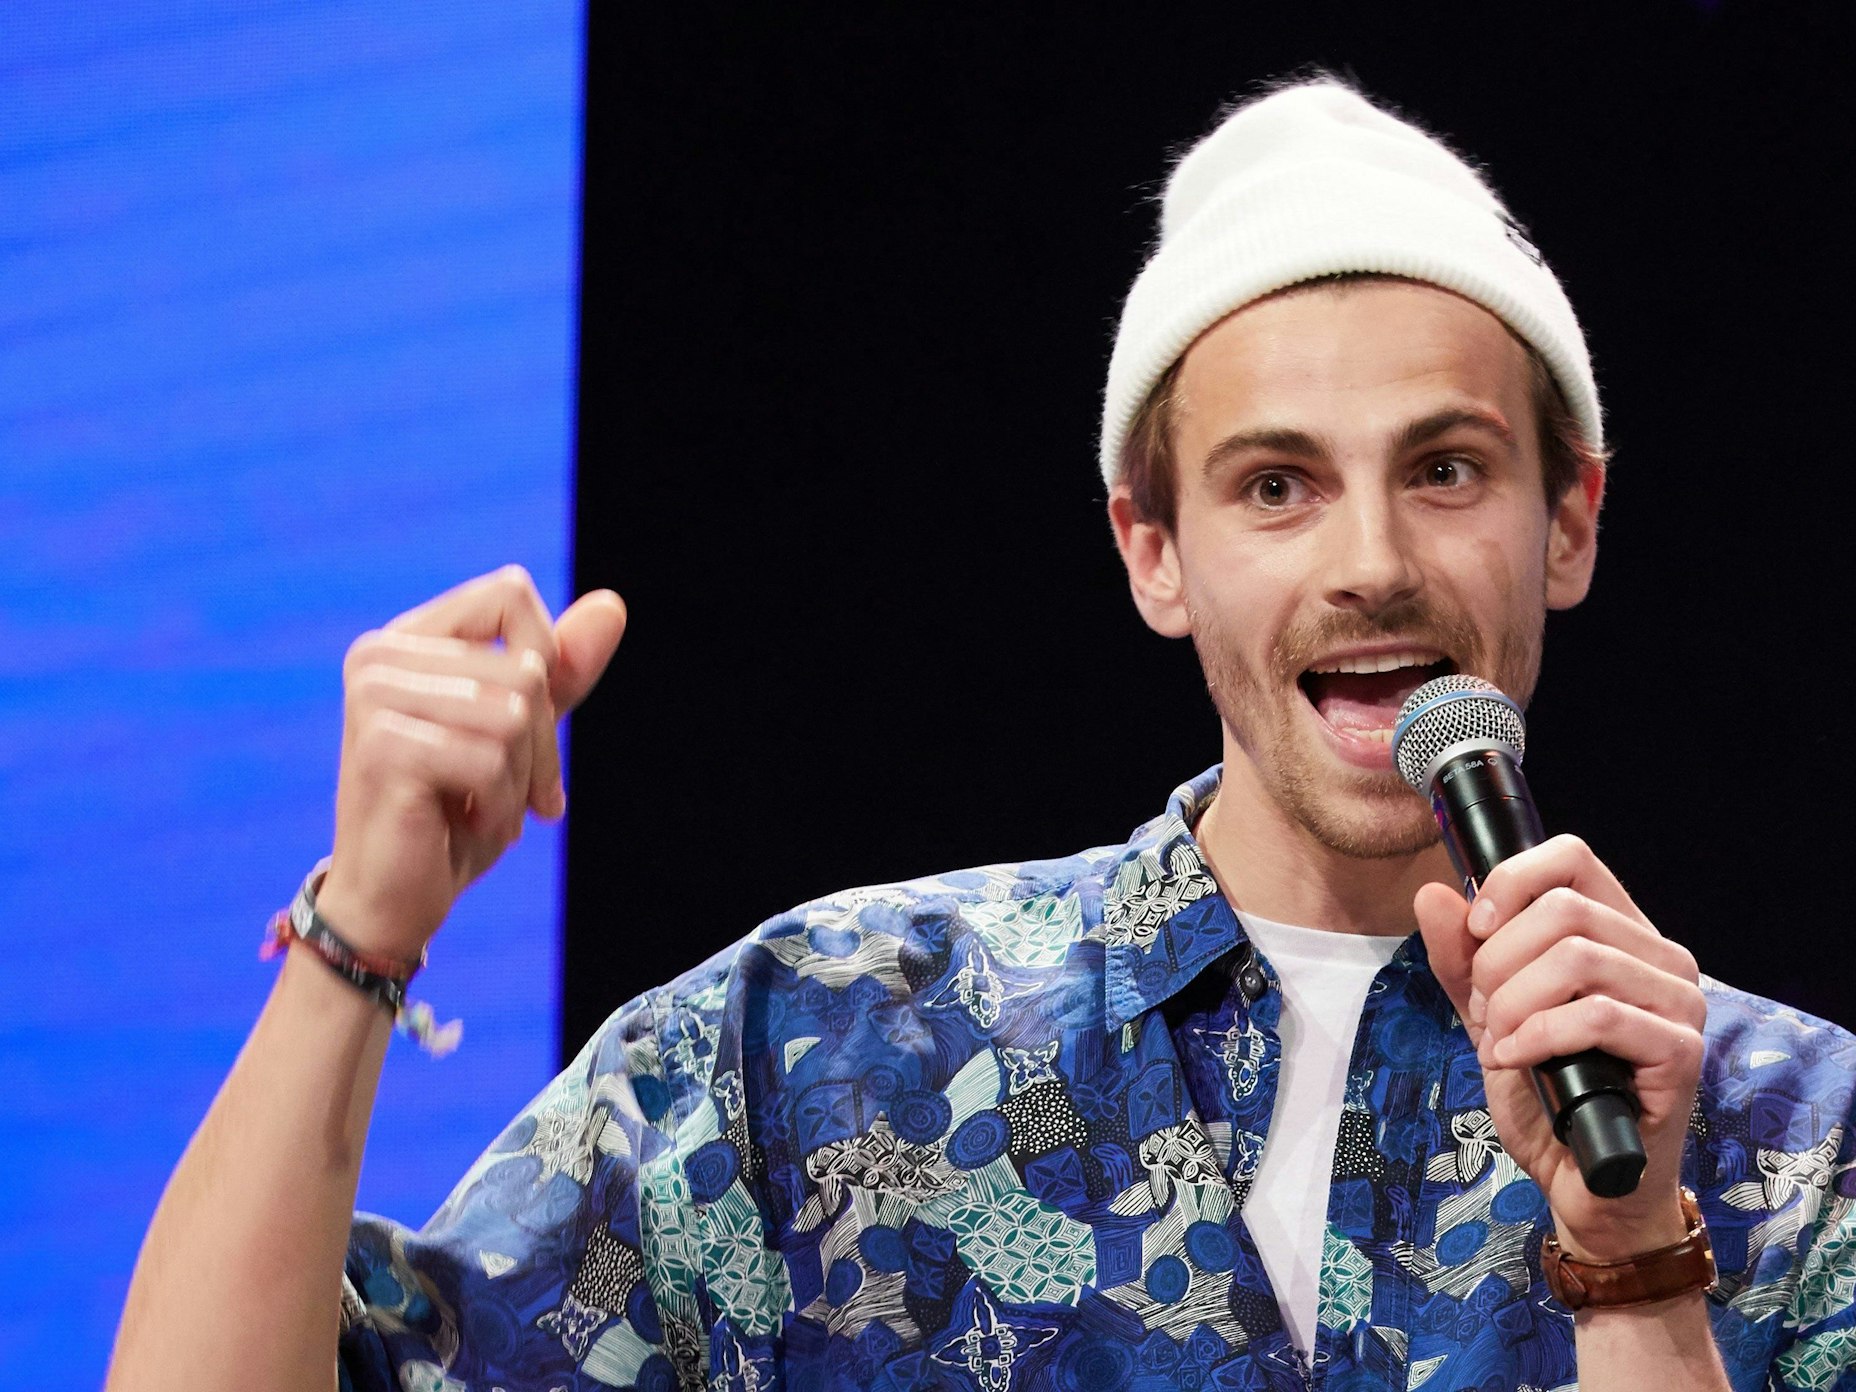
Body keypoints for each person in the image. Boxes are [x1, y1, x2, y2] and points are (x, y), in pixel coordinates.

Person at [108, 77, 1856, 1392]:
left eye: (1448, 468)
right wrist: (361, 942)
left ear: (1572, 520)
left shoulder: (1792, 1140)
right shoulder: (820, 1054)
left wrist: (1638, 1265)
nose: (1373, 564)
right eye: (1275, 487)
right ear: (1151, 550)